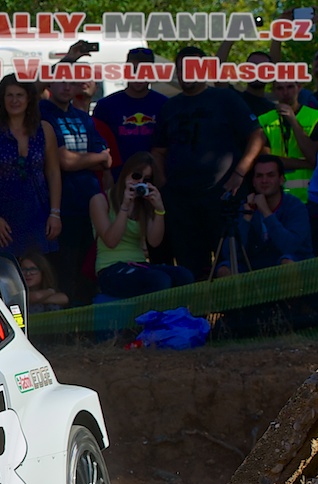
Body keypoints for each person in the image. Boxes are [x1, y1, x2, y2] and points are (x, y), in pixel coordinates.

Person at [151, 46, 264, 279]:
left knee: (231, 265)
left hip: (222, 198)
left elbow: (257, 135)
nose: (186, 73)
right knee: (190, 268)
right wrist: (164, 187)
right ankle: (198, 315)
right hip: (181, 202)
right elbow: (158, 151)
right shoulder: (169, 106)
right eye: (181, 68)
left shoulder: (225, 98)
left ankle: (232, 316)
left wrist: (241, 172)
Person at [0, 74, 62, 260]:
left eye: (19, 95)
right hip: (3, 212)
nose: (14, 100)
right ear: (2, 98)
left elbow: (54, 173)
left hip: (38, 211)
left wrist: (55, 213)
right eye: (9, 95)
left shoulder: (45, 129)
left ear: (29, 98)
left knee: (40, 270)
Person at [41, 77, 111, 301]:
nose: (66, 86)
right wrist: (95, 157)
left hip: (89, 207)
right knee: (64, 272)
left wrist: (88, 158)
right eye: (60, 82)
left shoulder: (83, 117)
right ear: (49, 85)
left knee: (87, 271)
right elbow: (64, 161)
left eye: (71, 82)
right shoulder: (44, 113)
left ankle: (86, 327)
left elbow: (107, 160)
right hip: (60, 207)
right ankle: (68, 329)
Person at [88, 152, 193, 297]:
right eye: (136, 176)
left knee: (183, 275)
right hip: (110, 268)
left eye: (147, 179)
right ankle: (154, 319)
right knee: (159, 280)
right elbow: (111, 241)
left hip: (138, 265)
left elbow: (154, 242)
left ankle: (176, 318)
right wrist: (125, 206)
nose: (140, 182)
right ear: (126, 173)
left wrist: (159, 210)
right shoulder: (101, 200)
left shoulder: (143, 204)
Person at [220, 154, 313, 273]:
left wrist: (267, 213)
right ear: (253, 181)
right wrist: (246, 218)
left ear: (281, 179)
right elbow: (229, 253)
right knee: (224, 269)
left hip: (293, 264)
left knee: (287, 263)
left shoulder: (295, 207)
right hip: (255, 266)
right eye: (259, 176)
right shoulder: (245, 207)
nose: (264, 180)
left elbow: (289, 247)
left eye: (270, 175)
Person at [92, 47, 168, 180]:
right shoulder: (106, 106)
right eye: (134, 70)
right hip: (118, 181)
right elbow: (97, 147)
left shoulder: (165, 105)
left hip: (155, 180)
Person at [258, 80, 318, 201]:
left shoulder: (315, 117)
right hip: (275, 198)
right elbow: (267, 160)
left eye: (290, 87)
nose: (285, 93)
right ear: (273, 91)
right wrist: (306, 164)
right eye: (279, 88)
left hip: (308, 198)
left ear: (299, 87)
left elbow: (312, 156)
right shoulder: (264, 119)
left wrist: (293, 121)